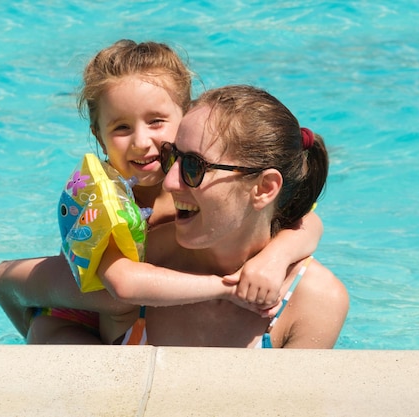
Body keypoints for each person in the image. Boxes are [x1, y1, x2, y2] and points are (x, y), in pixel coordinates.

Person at [0, 40, 324, 345]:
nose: (141, 141)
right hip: (83, 308)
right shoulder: (104, 197)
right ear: (99, 135)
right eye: (121, 127)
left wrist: (273, 259)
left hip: (137, 310)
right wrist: (230, 287)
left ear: (189, 117)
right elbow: (123, 285)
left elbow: (306, 221)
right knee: (47, 331)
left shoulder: (200, 178)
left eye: (156, 121)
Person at [114, 85, 349, 347]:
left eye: (194, 167)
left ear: (264, 188)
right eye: (171, 157)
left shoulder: (315, 300)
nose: (168, 182)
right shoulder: (142, 260)